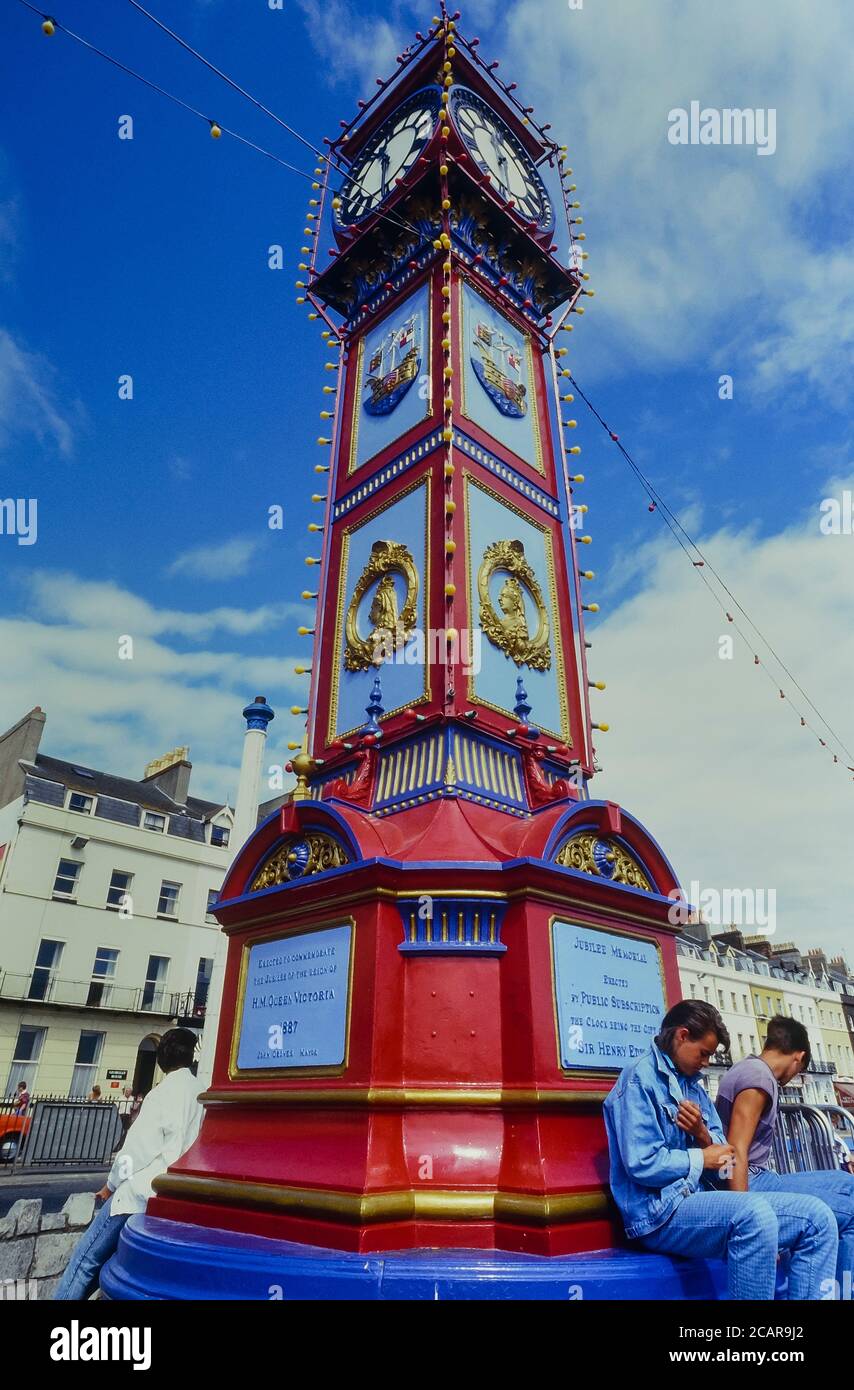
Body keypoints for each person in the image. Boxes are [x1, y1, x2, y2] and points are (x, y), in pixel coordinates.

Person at [603, 1000, 838, 1300]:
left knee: (818, 1218)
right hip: (658, 1213)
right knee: (754, 1215)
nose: (706, 1063)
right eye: (704, 1053)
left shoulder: (694, 1087)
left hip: (700, 1199)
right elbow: (642, 1164)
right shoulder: (639, 1079)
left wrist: (702, 1135)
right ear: (682, 1036)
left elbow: (726, 1160)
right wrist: (702, 1157)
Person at [54, 1029, 203, 1300]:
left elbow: (135, 1152)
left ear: (162, 1059)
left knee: (84, 1262)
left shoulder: (162, 1093)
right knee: (109, 1265)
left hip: (140, 1193)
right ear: (192, 1057)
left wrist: (109, 1186)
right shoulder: (202, 1095)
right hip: (177, 1199)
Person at [716, 1015, 854, 1296]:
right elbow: (735, 1150)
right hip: (750, 1182)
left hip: (761, 1176)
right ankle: (841, 1292)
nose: (795, 1077)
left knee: (845, 1182)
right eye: (800, 1070)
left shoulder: (747, 1068)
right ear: (798, 1057)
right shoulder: (757, 1080)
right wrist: (747, 1216)